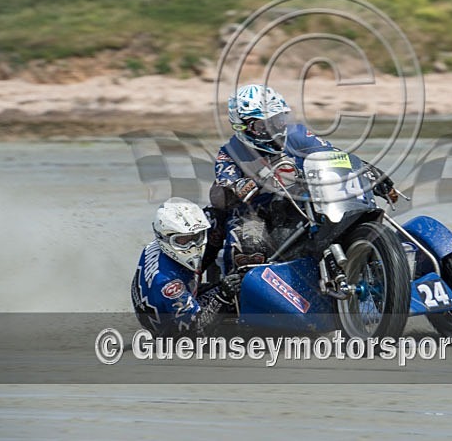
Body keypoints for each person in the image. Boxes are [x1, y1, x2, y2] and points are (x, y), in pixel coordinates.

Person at [203, 84, 399, 272]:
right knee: (250, 245)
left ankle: (379, 262)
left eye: (277, 120)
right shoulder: (229, 152)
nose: (273, 129)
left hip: (302, 204)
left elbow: (333, 155)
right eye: (263, 125)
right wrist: (244, 185)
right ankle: (236, 292)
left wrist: (371, 173)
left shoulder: (298, 134)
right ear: (242, 127)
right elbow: (225, 185)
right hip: (257, 214)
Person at [131, 197, 243, 337]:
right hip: (174, 333)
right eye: (183, 240)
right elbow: (196, 329)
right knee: (238, 291)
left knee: (216, 219)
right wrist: (222, 296)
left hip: (168, 301)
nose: (193, 246)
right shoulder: (169, 285)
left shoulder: (158, 245)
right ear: (165, 238)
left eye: (196, 237)